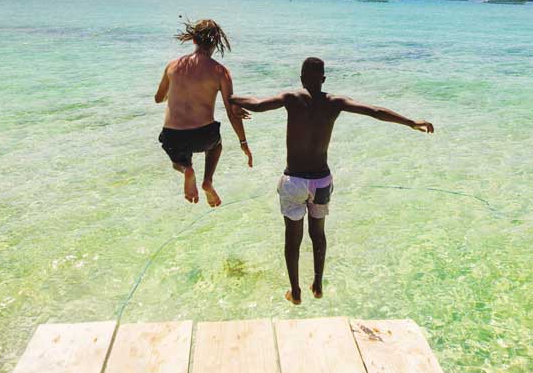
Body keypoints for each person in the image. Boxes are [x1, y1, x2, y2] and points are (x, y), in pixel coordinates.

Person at [232, 57, 433, 304]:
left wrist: (229, 98)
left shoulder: (291, 98)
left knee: (292, 239)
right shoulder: (334, 102)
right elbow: (375, 112)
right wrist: (411, 122)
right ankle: (317, 283)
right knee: (318, 233)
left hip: (294, 180)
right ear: (323, 79)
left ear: (302, 78)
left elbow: (258, 105)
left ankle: (295, 291)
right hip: (321, 182)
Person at [155, 19, 251, 206]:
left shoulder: (173, 65)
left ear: (193, 40)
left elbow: (158, 98)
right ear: (215, 43)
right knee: (216, 145)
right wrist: (243, 142)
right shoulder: (220, 72)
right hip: (204, 135)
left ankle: (186, 170)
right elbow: (232, 112)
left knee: (178, 160)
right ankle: (208, 181)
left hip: (173, 136)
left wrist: (171, 93)